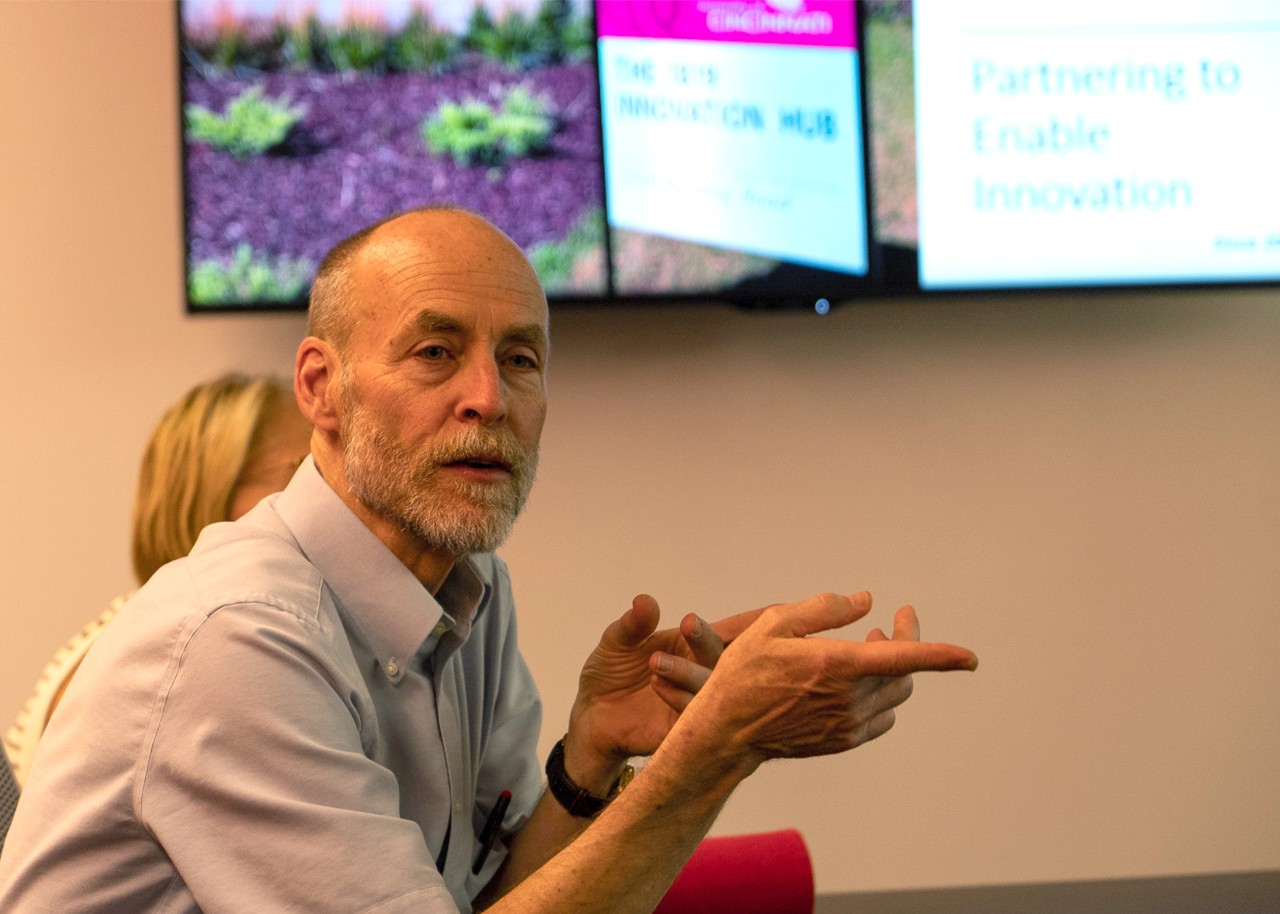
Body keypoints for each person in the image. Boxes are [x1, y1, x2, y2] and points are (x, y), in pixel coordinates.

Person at [0, 207, 978, 914]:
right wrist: (713, 749)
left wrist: (589, 758)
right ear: (321, 386)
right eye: (434, 352)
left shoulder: (466, 582)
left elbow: (491, 895)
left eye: (519, 358)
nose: (487, 396)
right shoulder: (235, 641)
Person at [1, 374, 312, 787]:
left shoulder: (139, 628)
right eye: (303, 471)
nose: (322, 497)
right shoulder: (178, 657)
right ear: (212, 492)